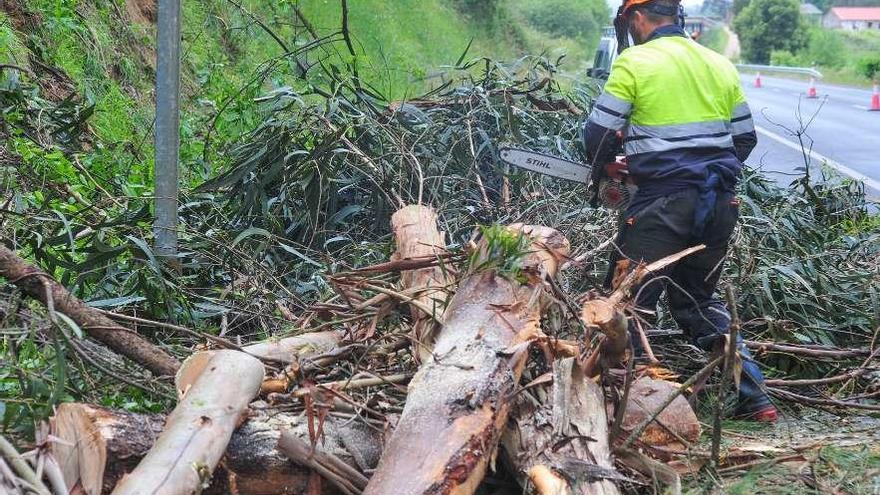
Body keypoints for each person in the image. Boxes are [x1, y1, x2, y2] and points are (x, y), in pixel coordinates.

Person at [581, 0, 778, 421]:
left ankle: (628, 405)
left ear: (636, 18)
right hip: (719, 203)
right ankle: (757, 397)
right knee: (698, 301)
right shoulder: (717, 63)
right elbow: (745, 140)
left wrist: (610, 169)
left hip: (664, 206)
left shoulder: (636, 61)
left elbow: (598, 132)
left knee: (629, 303)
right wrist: (695, 171)